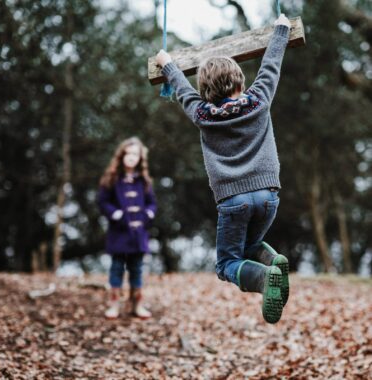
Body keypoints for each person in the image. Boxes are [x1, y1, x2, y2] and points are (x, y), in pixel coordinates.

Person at [155, 14, 291, 323]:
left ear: (207, 91)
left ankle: (264, 278)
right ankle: (274, 261)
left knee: (227, 264)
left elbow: (181, 89)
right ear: (241, 80)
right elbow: (272, 64)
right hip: (269, 196)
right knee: (251, 245)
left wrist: (167, 63)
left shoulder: (203, 113)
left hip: (234, 200)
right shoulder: (259, 100)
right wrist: (281, 28)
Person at [98, 137, 157, 319]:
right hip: (118, 233)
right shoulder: (111, 178)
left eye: (136, 154)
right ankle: (114, 304)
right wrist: (115, 214)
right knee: (116, 268)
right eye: (128, 153)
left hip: (138, 235)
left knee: (137, 269)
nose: (132, 157)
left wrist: (148, 214)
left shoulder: (144, 181)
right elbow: (102, 201)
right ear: (121, 155)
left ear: (140, 158)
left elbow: (152, 203)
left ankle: (137, 305)